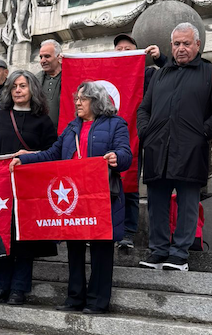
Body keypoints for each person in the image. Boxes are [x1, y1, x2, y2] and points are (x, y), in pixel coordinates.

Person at [12, 81, 132, 313]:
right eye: (76, 98)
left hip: (101, 196)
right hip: (75, 197)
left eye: (82, 99)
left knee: (101, 250)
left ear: (96, 101)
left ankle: (98, 301)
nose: (77, 102)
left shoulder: (116, 124)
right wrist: (25, 159)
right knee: (74, 247)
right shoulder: (71, 127)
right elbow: (52, 154)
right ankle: (75, 298)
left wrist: (117, 157)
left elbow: (125, 153)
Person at [137, 23, 212, 272]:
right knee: (157, 202)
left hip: (191, 150)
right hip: (157, 148)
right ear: (171, 46)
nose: (181, 49)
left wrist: (203, 133)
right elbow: (143, 109)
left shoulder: (210, 72)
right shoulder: (159, 74)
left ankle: (180, 254)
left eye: (187, 43)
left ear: (198, 45)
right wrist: (145, 133)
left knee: (188, 203)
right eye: (177, 44)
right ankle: (158, 251)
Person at [0, 70, 57, 305]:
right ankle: (1, 286)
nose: (17, 90)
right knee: (3, 235)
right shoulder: (1, 118)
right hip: (2, 188)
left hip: (30, 189)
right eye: (14, 86)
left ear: (32, 89)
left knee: (25, 239)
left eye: (22, 86)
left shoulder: (43, 121)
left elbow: (52, 153)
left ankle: (19, 289)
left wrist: (31, 156)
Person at [112, 33, 168, 252]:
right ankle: (104, 228)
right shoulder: (108, 72)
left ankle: (127, 232)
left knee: (130, 184)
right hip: (109, 134)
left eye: (129, 49)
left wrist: (160, 59)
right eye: (119, 49)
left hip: (135, 135)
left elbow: (172, 77)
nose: (123, 52)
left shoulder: (147, 73)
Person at [36, 39, 62, 123]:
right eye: (41, 57)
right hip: (40, 132)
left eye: (47, 56)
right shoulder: (34, 80)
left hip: (65, 132)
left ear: (58, 57)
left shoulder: (70, 78)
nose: (43, 61)